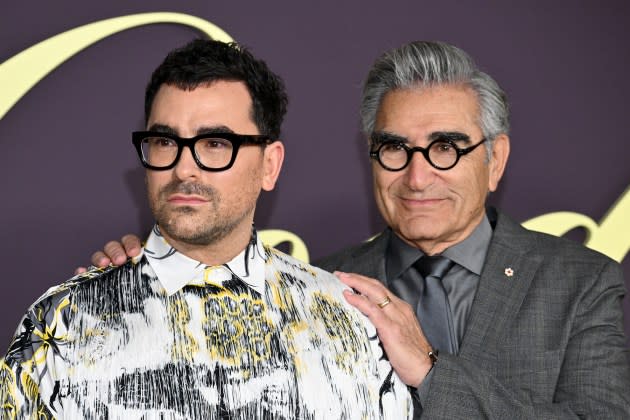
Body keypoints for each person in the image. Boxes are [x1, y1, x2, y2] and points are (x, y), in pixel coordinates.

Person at [90, 41, 630, 418]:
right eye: (394, 149)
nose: (417, 178)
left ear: (496, 159)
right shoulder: (316, 286)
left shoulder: (581, 286)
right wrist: (150, 289)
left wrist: (433, 372)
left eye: (444, 148)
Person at [0, 39, 413, 419]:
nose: (183, 168)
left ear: (270, 165)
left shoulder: (348, 325)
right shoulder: (62, 323)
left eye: (215, 143)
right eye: (164, 142)